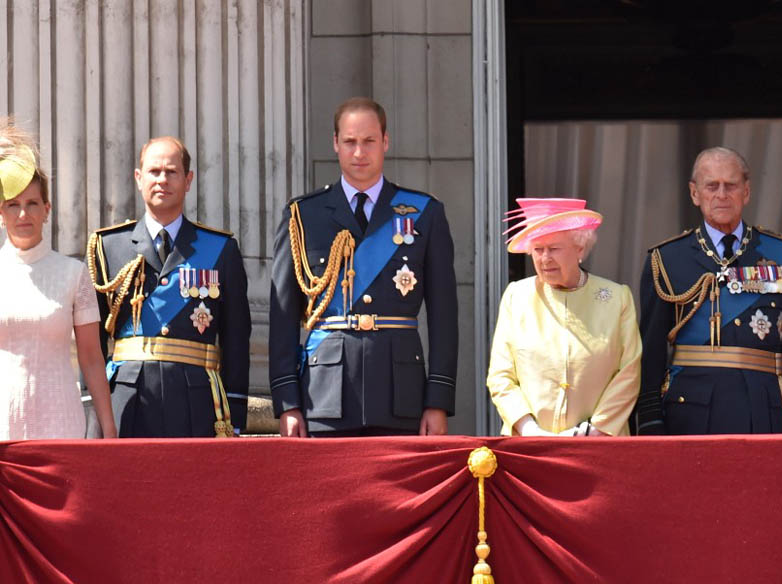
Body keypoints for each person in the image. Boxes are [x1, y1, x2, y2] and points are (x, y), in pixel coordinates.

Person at [270, 97, 458, 437]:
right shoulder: (303, 216)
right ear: (335, 143)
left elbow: (444, 315)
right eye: (350, 142)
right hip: (324, 393)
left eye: (369, 141)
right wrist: (288, 402)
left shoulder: (424, 213)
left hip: (401, 393)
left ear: (385, 142)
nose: (359, 152)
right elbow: (282, 316)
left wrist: (438, 401)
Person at [634, 147, 782, 435]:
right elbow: (651, 351)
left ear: (746, 192)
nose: (721, 194)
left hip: (764, 410)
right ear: (695, 193)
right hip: (690, 412)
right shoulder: (667, 259)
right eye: (711, 186)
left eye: (730, 185)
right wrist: (650, 421)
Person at [86, 136, 250, 437]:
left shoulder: (220, 249)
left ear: (188, 180)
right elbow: (91, 342)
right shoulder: (108, 247)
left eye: (172, 172)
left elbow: (236, 338)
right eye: (154, 171)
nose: (162, 179)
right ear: (139, 178)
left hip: (196, 401)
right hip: (126, 398)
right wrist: (95, 413)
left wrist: (235, 413)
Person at [486, 198, 641, 436]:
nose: (545, 258)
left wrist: (594, 431)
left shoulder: (616, 298)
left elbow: (629, 372)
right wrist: (530, 430)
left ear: (580, 248)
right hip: (529, 445)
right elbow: (500, 376)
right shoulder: (517, 297)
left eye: (554, 249)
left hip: (601, 444)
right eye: (538, 249)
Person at [0, 124, 116, 439]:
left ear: (47, 209)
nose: (23, 214)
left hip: (60, 425)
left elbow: (92, 357)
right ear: (1, 213)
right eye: (13, 204)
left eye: (32, 203)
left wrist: (108, 427)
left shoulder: (73, 273)